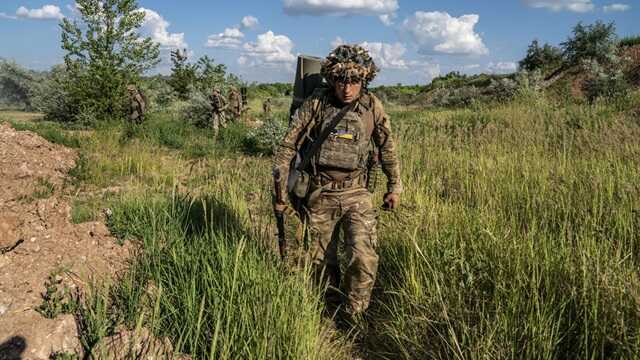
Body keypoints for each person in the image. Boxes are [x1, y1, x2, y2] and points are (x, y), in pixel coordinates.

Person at [272, 45, 402, 316]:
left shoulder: (371, 106)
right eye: (341, 81)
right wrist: (280, 187)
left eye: (354, 81)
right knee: (321, 260)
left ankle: (355, 313)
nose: (347, 88)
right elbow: (288, 146)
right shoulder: (317, 103)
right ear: (331, 79)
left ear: (364, 81)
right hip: (321, 193)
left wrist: (394, 187)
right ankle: (329, 311)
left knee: (363, 256)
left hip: (357, 192)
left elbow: (387, 148)